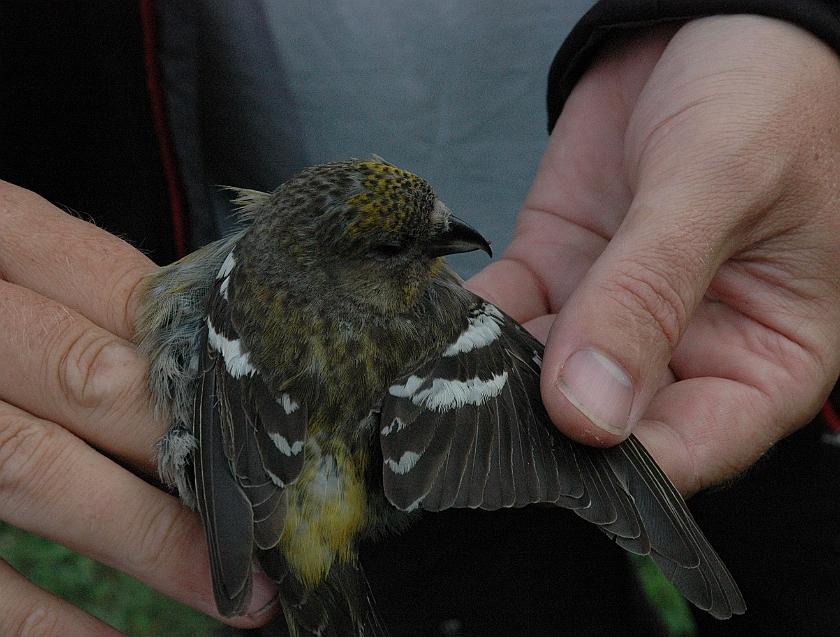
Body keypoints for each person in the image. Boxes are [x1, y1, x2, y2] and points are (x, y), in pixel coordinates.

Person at [1, 1, 839, 635]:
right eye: (413, 246)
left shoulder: (270, 284)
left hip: (734, 282)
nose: (449, 246)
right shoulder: (452, 321)